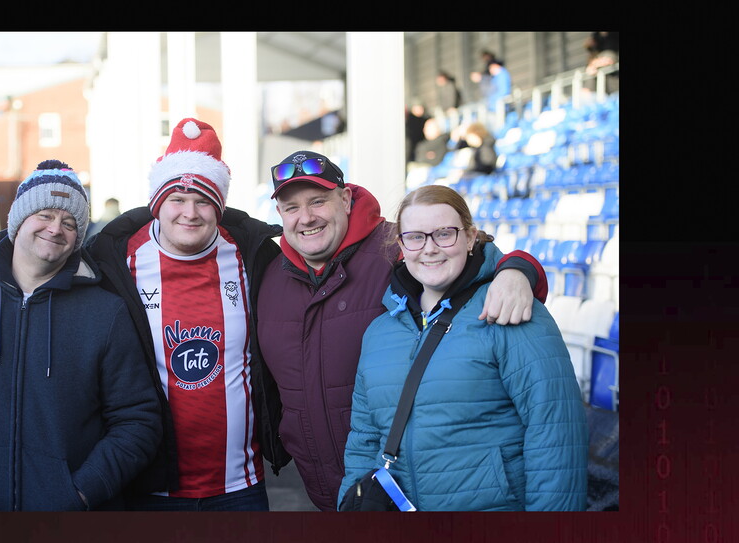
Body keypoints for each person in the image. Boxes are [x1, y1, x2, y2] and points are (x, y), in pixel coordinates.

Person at [255, 150, 549, 511]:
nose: (306, 217)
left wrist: (519, 269)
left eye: (318, 201)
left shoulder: (397, 246)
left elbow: (473, 260)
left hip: (409, 490)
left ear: (345, 199)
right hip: (327, 493)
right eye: (291, 207)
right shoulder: (269, 277)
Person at [0, 160, 162, 511]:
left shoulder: (105, 313)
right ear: (19, 219)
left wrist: (81, 492)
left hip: (72, 522)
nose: (56, 229)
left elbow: (138, 421)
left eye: (70, 223)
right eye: (45, 215)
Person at [339, 185, 588, 511]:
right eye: (415, 237)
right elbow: (363, 439)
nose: (429, 249)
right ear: (401, 245)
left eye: (444, 234)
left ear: (470, 238)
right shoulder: (379, 332)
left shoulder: (508, 307)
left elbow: (556, 436)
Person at [83, 118, 290, 511]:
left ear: (220, 206)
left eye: (204, 201)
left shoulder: (255, 254)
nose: (190, 213)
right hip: (149, 487)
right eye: (177, 199)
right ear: (158, 203)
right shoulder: (113, 259)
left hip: (240, 486)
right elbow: (45, 284)